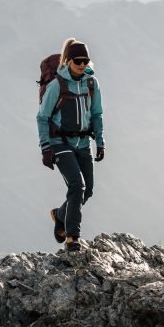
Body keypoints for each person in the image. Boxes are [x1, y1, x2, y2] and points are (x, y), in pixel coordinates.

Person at [37, 38, 105, 251]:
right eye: (78, 60)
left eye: (86, 60)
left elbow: (96, 114)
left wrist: (101, 142)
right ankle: (72, 237)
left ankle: (59, 214)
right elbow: (42, 117)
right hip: (60, 143)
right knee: (77, 185)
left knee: (88, 190)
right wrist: (46, 147)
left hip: (83, 143)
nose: (83, 64)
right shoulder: (58, 85)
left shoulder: (92, 83)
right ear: (68, 60)